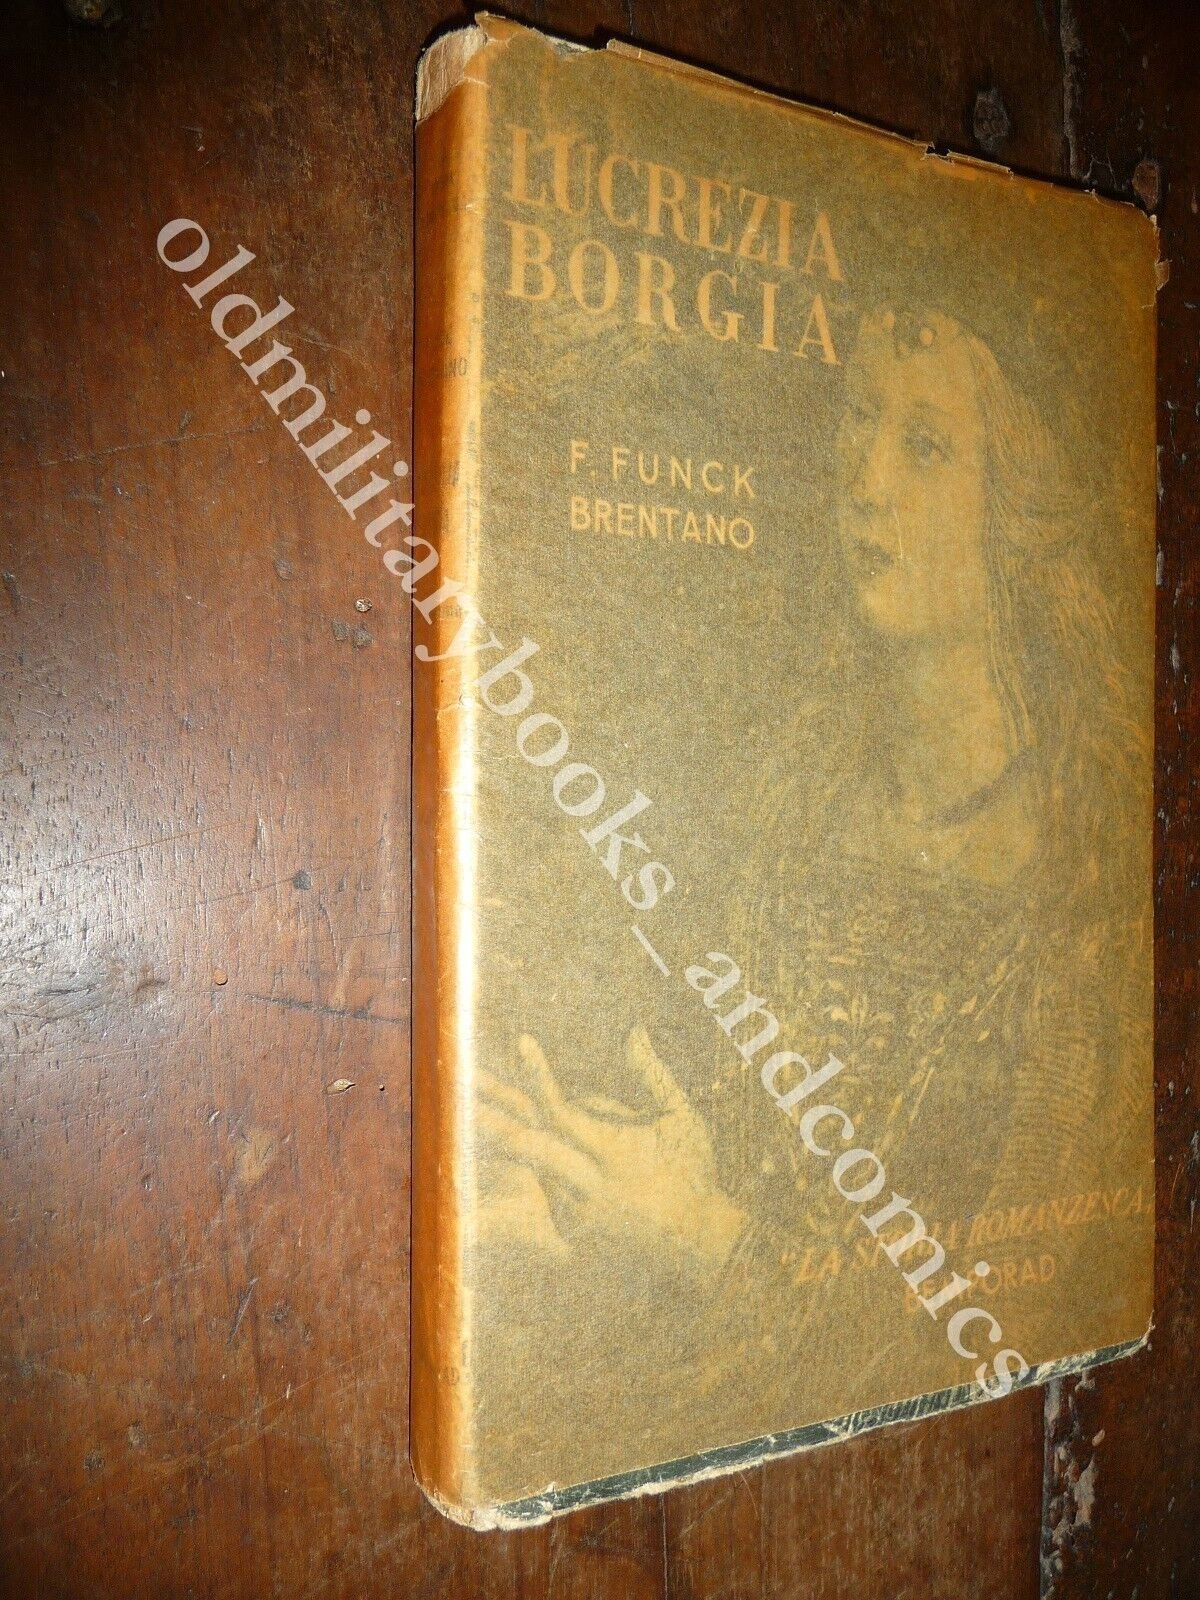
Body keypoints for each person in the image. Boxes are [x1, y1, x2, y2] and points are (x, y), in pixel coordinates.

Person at [473, 308, 1151, 1466]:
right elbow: (729, 1140)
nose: (865, 484)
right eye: (859, 425)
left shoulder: (1091, 873)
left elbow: (994, 1330)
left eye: (924, 447)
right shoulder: (799, 788)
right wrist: (581, 1189)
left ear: (1020, 510)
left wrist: (697, 1234)